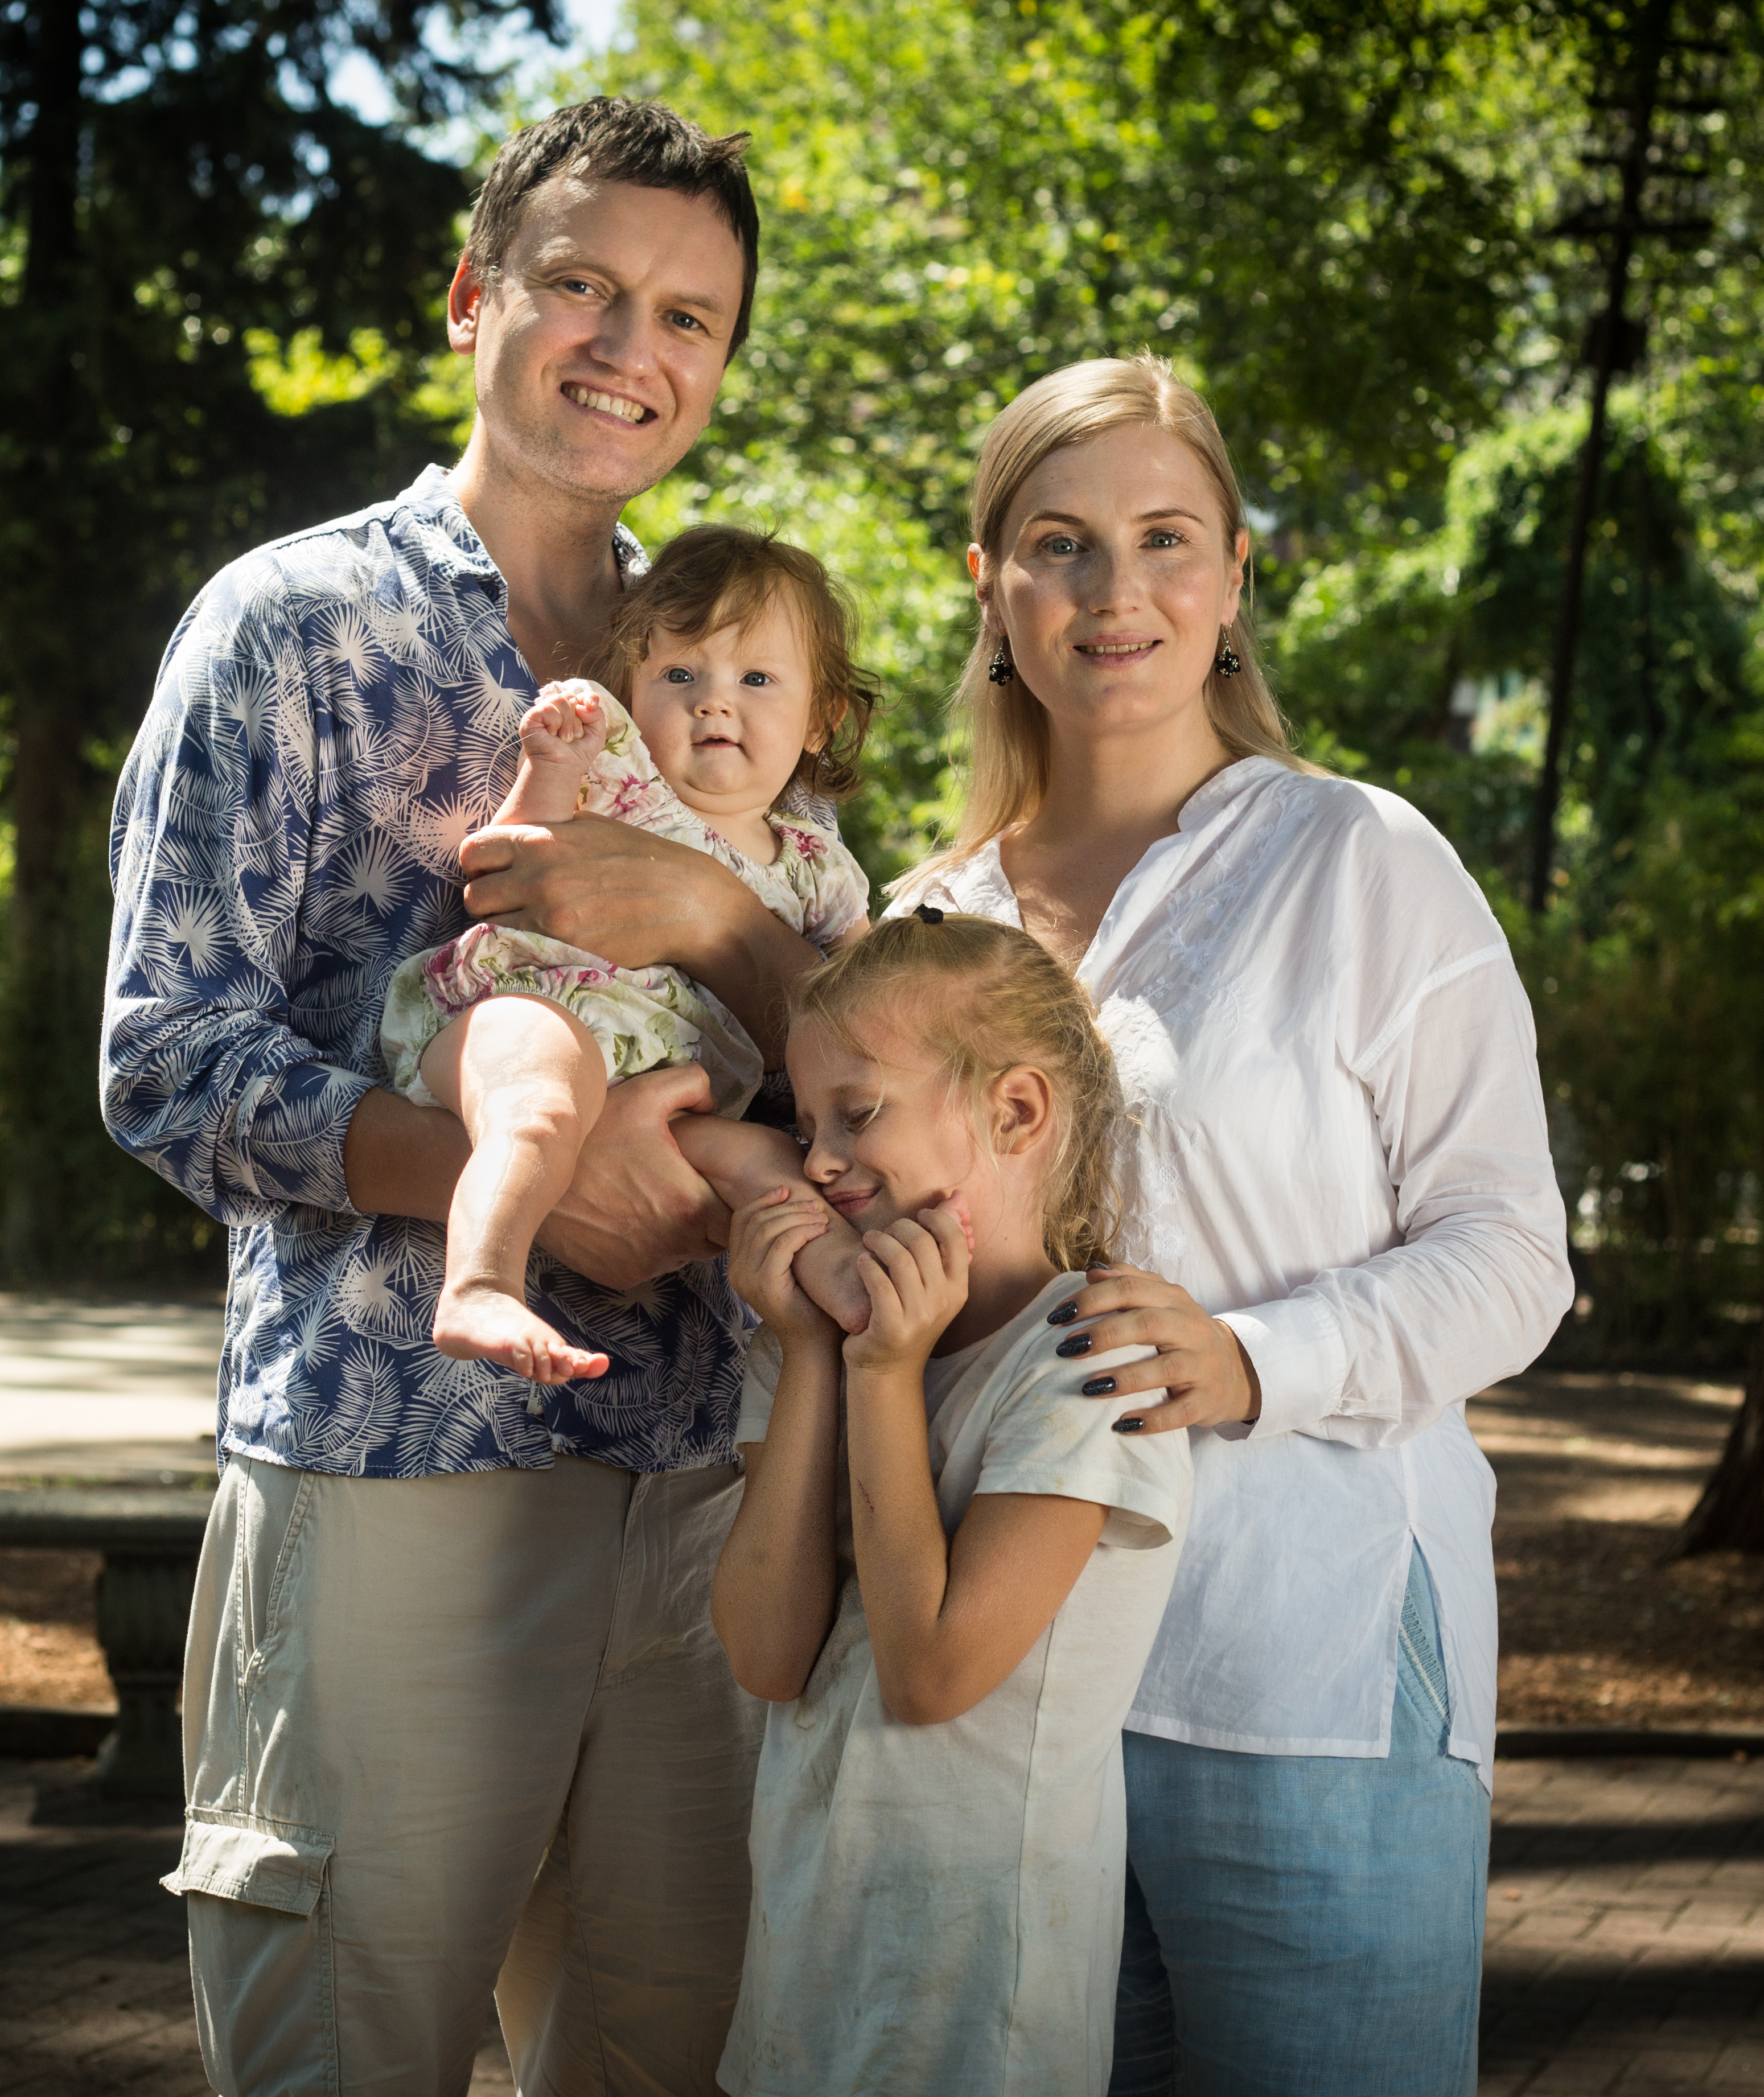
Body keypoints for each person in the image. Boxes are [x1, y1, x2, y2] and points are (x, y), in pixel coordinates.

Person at [101, 98, 827, 2097]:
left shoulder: (736, 655)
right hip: (387, 1470)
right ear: (470, 300)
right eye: (580, 285)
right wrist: (503, 1180)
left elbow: (847, 1036)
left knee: (665, 2058)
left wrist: (715, 924)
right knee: (356, 2050)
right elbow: (163, 1055)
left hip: (694, 1483)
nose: (628, 346)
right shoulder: (293, 625)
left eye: (688, 315)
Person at [886, 356, 1576, 2096]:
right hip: (1012, 1689)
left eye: (1164, 538)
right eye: (1061, 544)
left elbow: (1510, 1249)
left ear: (1237, 573)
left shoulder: (1364, 860)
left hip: (1306, 1673)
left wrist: (1257, 1357)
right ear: (988, 584)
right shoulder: (920, 921)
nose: (1117, 593)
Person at [710, 910, 1191, 2096]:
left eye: (857, 1113)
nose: (816, 1161)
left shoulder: (1085, 1366)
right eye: (805, 1121)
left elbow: (928, 1675)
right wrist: (823, 1355)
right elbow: (768, 1655)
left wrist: (881, 1373)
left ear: (1016, 1112)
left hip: (983, 2013)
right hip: (810, 1974)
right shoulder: (820, 1340)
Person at [375, 526, 882, 1383]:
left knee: (774, 1173)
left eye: (755, 680)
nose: (713, 702)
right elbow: (509, 859)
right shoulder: (620, 783)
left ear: (819, 718)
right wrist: (551, 764)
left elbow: (862, 1013)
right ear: (630, 694)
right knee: (536, 1103)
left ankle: (865, 1308)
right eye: (679, 676)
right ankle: (480, 1283)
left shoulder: (815, 869)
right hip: (535, 1011)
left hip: (678, 1103)